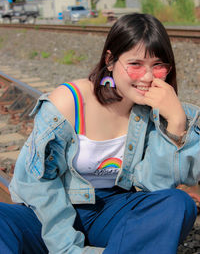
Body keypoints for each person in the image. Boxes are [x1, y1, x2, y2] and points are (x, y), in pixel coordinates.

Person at [0, 13, 199, 254]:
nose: (147, 77)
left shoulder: (158, 111)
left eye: (158, 66)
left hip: (110, 210)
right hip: (46, 214)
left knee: (178, 204)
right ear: (111, 61)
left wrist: (176, 125)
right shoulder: (69, 102)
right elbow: (39, 187)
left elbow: (155, 189)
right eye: (135, 64)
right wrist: (69, 250)